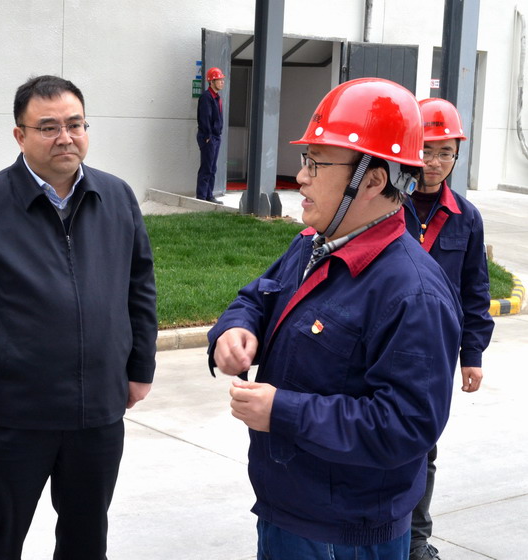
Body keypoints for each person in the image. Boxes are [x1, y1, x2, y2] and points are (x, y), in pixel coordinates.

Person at [207, 78, 463, 559]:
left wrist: (282, 412)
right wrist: (236, 327)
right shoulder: (313, 243)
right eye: (306, 160)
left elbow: (406, 425)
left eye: (316, 163)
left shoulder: (413, 293)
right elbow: (259, 295)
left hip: (346, 534)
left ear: (373, 180)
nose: (300, 177)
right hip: (287, 508)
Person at [0, 74, 157, 559]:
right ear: (19, 135)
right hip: (16, 413)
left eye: (75, 124)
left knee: (86, 539)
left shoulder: (117, 196)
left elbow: (140, 285)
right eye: (48, 127)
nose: (65, 137)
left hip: (98, 411)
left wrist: (140, 367)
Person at [404, 98, 494, 560]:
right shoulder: (384, 204)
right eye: (426, 149)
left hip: (434, 355)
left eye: (445, 153)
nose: (434, 162)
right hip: (381, 345)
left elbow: (476, 290)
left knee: (423, 448)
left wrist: (471, 354)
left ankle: (415, 539)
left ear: (456, 156)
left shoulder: (466, 217)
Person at [196, 66, 225, 203]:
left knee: (212, 168)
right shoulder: (206, 97)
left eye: (222, 80)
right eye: (219, 80)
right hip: (209, 137)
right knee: (207, 168)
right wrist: (207, 136)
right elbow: (204, 118)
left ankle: (209, 195)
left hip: (215, 137)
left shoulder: (216, 97)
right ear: (211, 82)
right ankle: (202, 197)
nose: (222, 82)